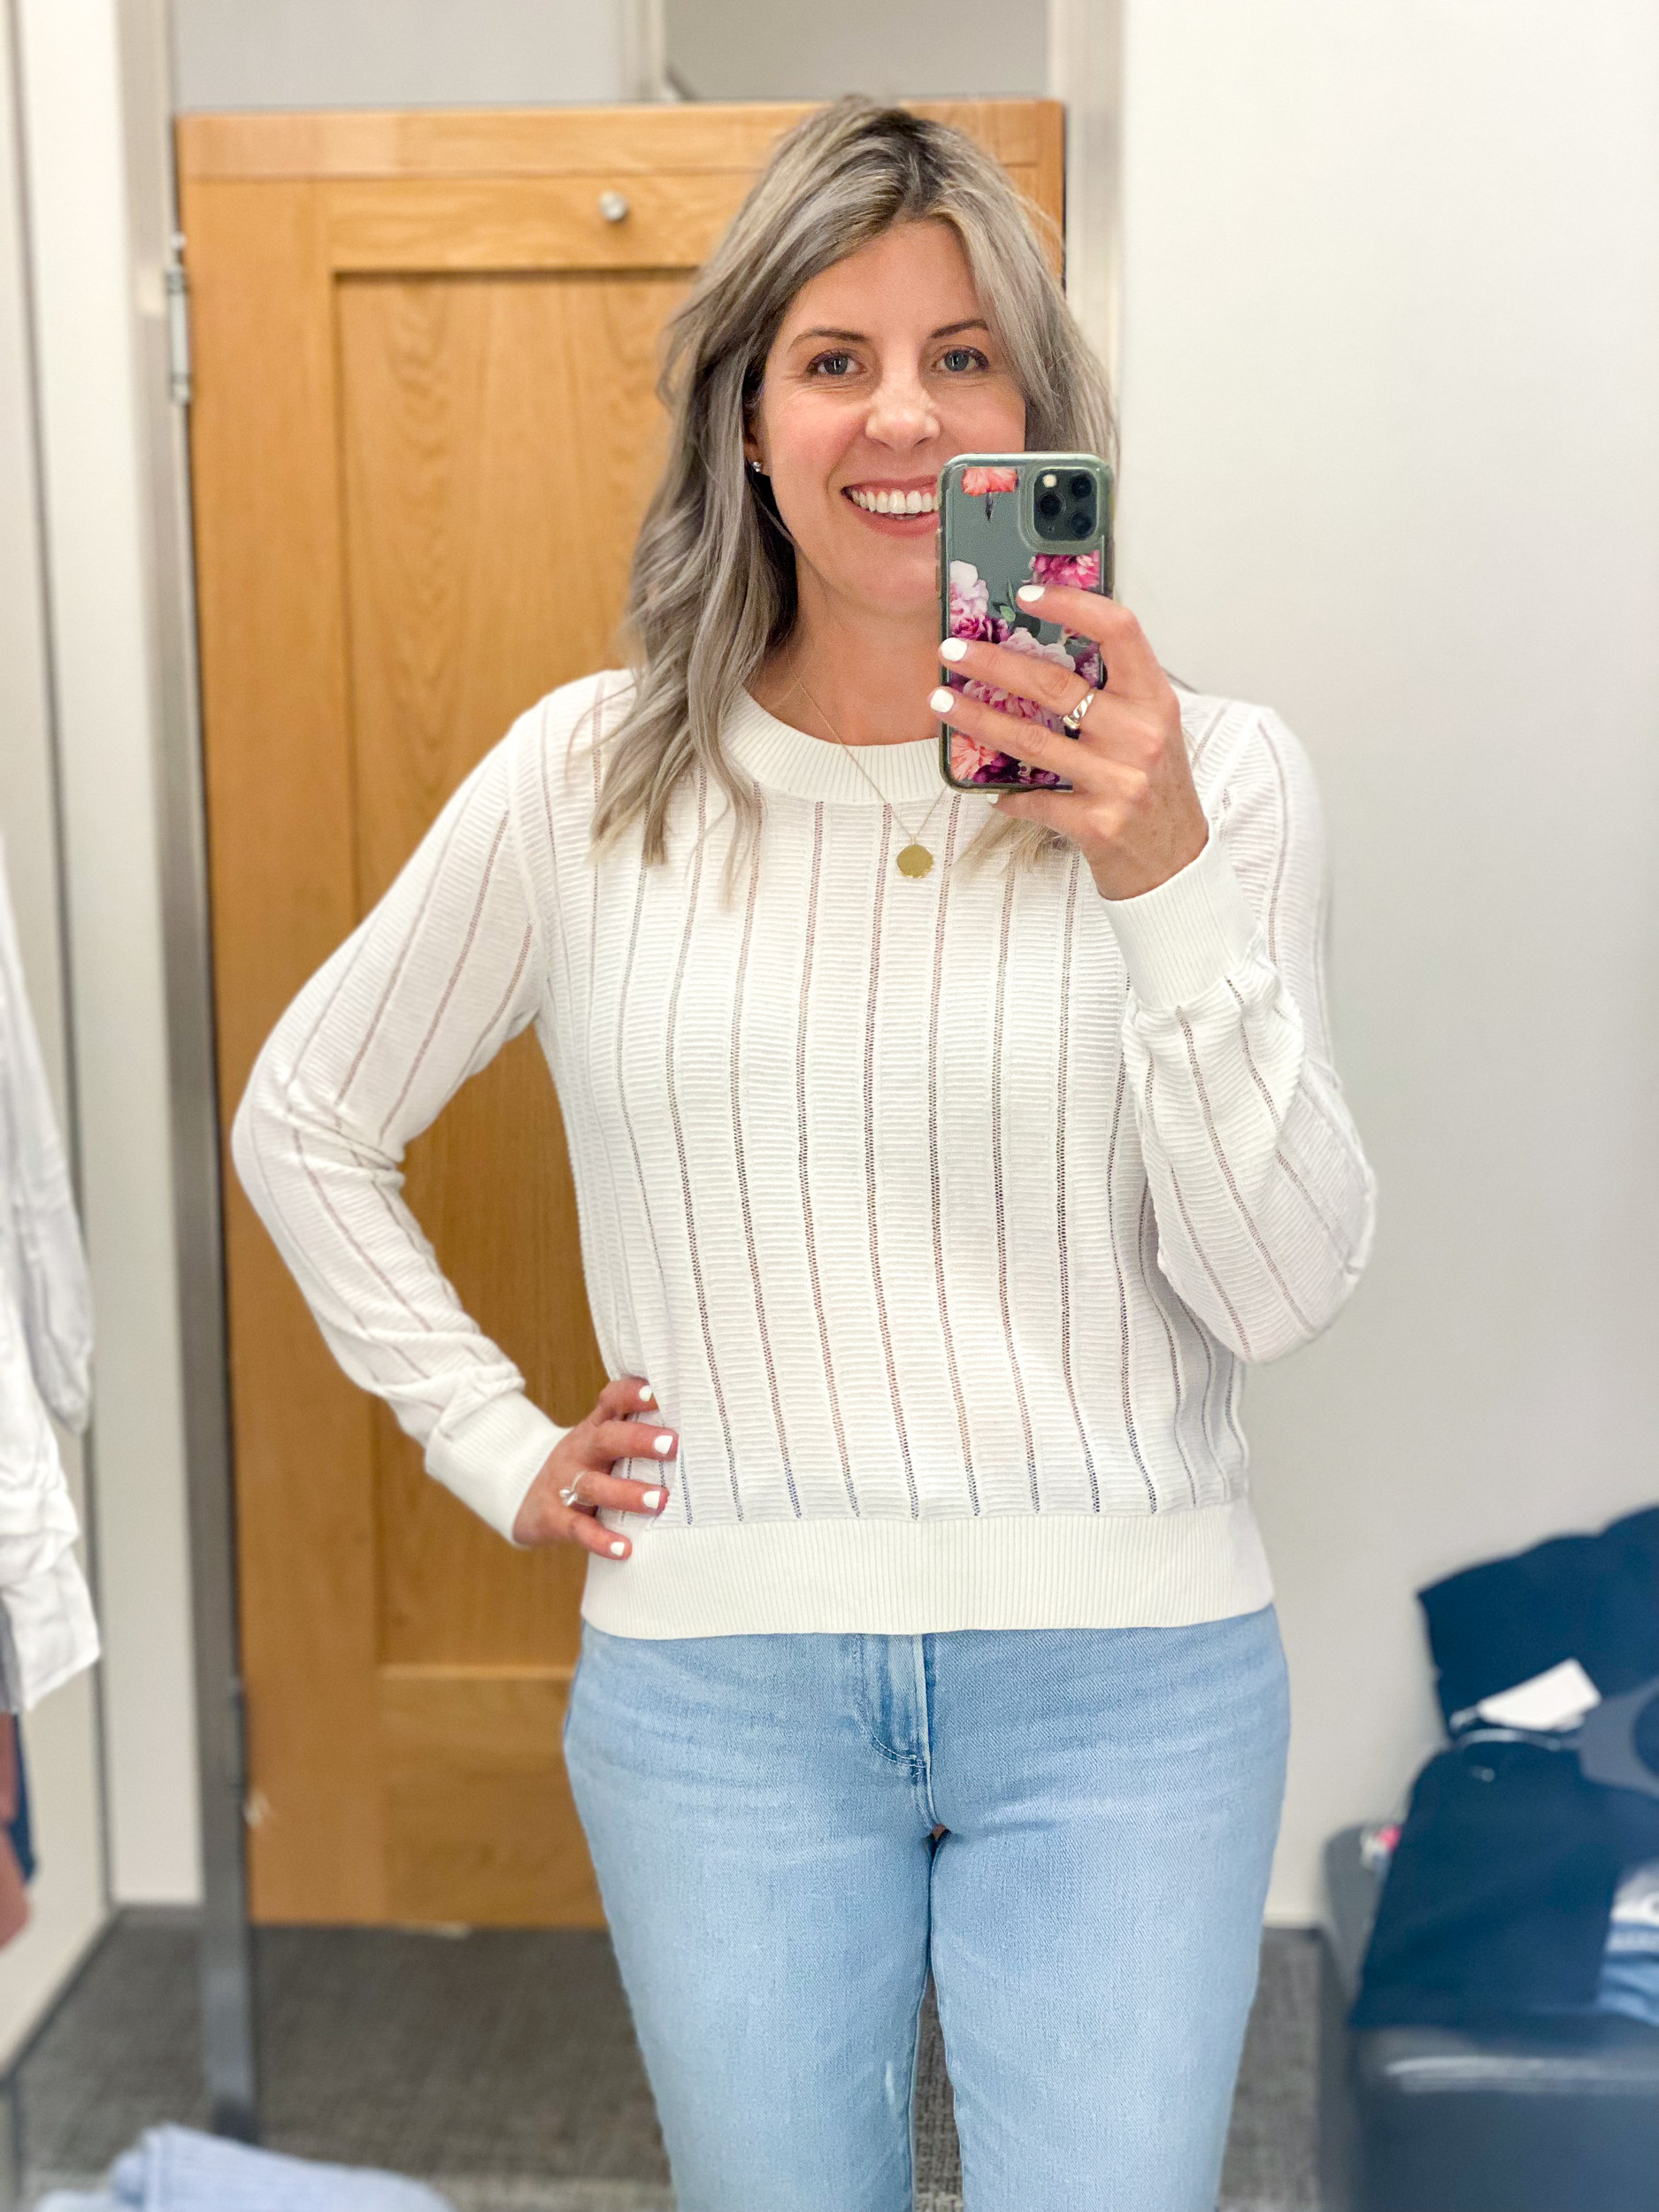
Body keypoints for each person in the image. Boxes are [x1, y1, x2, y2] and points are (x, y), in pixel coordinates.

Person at [234, 97, 1375, 2212]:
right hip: (717, 1695)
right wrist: (490, 1439)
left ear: (1036, 414)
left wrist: (1157, 876)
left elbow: (1280, 1287)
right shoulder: (585, 780)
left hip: (1129, 1686)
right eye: (832, 357)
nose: (900, 416)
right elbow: (304, 1110)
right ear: (745, 422)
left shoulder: (1219, 778)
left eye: (963, 356)